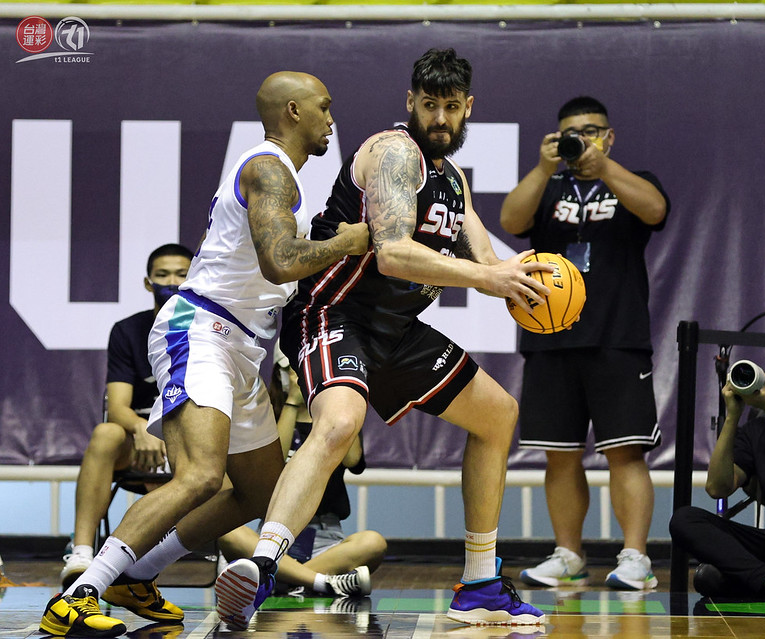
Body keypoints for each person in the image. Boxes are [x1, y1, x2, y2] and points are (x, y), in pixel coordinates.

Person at [215, 48, 550, 629]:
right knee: (340, 421)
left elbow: (487, 258)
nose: (440, 118)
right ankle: (263, 566)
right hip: (333, 311)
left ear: (468, 108)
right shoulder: (394, 152)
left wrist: (524, 280)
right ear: (410, 102)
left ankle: (479, 585)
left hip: (394, 330)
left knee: (498, 415)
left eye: (451, 107)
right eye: (429, 105)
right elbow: (393, 254)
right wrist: (490, 278)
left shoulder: (453, 180)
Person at [40, 70, 369, 638]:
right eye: (324, 106)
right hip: (202, 330)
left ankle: (136, 575)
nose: (331, 118)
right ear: (293, 111)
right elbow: (281, 262)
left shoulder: (275, 175)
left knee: (261, 491)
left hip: (240, 344)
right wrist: (349, 240)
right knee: (198, 476)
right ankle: (76, 596)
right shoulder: (268, 168)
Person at [500, 96, 669, 591]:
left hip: (618, 336)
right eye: (571, 133)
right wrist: (542, 167)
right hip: (550, 337)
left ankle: (635, 557)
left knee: (626, 452)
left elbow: (655, 209)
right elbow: (510, 221)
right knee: (560, 454)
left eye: (591, 131)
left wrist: (603, 168)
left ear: (609, 136)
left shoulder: (631, 179)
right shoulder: (548, 184)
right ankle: (568, 554)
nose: (582, 140)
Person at [59, 243, 193, 594]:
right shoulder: (128, 330)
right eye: (163, 274)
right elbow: (118, 406)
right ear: (148, 282)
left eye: (181, 274)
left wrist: (171, 435)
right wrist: (142, 429)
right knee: (106, 432)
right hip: (141, 444)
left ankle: (229, 555)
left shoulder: (208, 327)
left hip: (193, 441)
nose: (172, 282)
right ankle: (81, 553)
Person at [217, 344, 386, 597]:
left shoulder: (335, 416)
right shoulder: (265, 413)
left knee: (373, 543)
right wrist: (293, 403)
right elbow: (274, 464)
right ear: (281, 374)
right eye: (294, 370)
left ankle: (277, 579)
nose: (302, 376)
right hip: (270, 535)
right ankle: (318, 582)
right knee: (230, 534)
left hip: (325, 537)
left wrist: (338, 401)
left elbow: (352, 459)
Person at [670, 330, 765, 600]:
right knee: (685, 519)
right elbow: (717, 488)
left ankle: (756, 580)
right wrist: (733, 416)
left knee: (713, 578)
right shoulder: (756, 430)